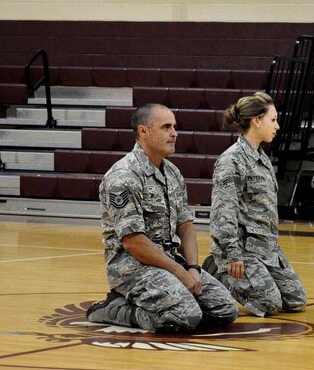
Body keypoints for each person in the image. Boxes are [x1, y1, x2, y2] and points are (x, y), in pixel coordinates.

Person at [86, 104, 239, 332]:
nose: (174, 133)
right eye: (166, 127)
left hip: (168, 262)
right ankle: (115, 308)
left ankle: (166, 300)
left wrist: (193, 268)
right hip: (132, 269)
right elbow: (133, 242)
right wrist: (181, 274)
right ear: (143, 132)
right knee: (184, 316)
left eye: (174, 127)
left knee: (225, 310)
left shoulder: (172, 172)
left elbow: (185, 226)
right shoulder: (123, 177)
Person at [208, 92, 307, 316]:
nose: (277, 126)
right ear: (256, 121)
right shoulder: (231, 160)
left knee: (296, 300)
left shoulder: (262, 158)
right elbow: (224, 213)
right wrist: (232, 254)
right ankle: (217, 271)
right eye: (273, 120)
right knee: (269, 304)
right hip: (242, 251)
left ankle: (252, 274)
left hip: (267, 250)